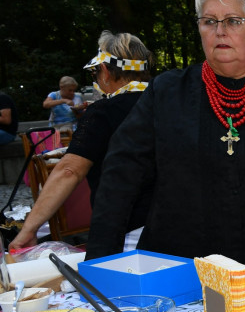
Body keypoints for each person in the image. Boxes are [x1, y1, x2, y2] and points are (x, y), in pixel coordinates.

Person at [86, 0, 245, 263]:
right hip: (179, 265)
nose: (220, 31)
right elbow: (120, 175)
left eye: (233, 21)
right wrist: (99, 262)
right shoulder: (166, 92)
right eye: (209, 22)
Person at [11, 32, 154, 250]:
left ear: (105, 72)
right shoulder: (170, 102)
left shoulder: (103, 112)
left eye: (95, 73)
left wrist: (29, 229)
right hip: (178, 225)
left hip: (129, 234)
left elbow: (69, 171)